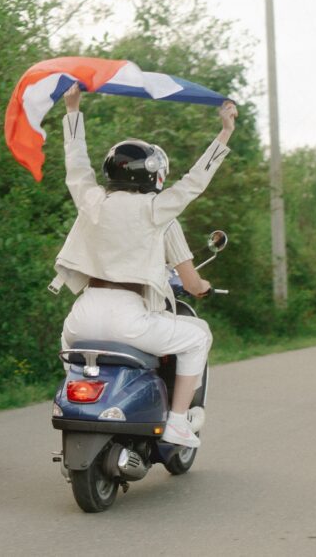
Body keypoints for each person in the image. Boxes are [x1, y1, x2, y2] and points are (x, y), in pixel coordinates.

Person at [51, 83, 236, 448]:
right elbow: (194, 183)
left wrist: (72, 111)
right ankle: (179, 422)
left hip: (81, 316)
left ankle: (81, 402)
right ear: (153, 175)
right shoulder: (155, 211)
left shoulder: (91, 201)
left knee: (73, 355)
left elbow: (76, 163)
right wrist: (225, 132)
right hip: (129, 317)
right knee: (198, 336)